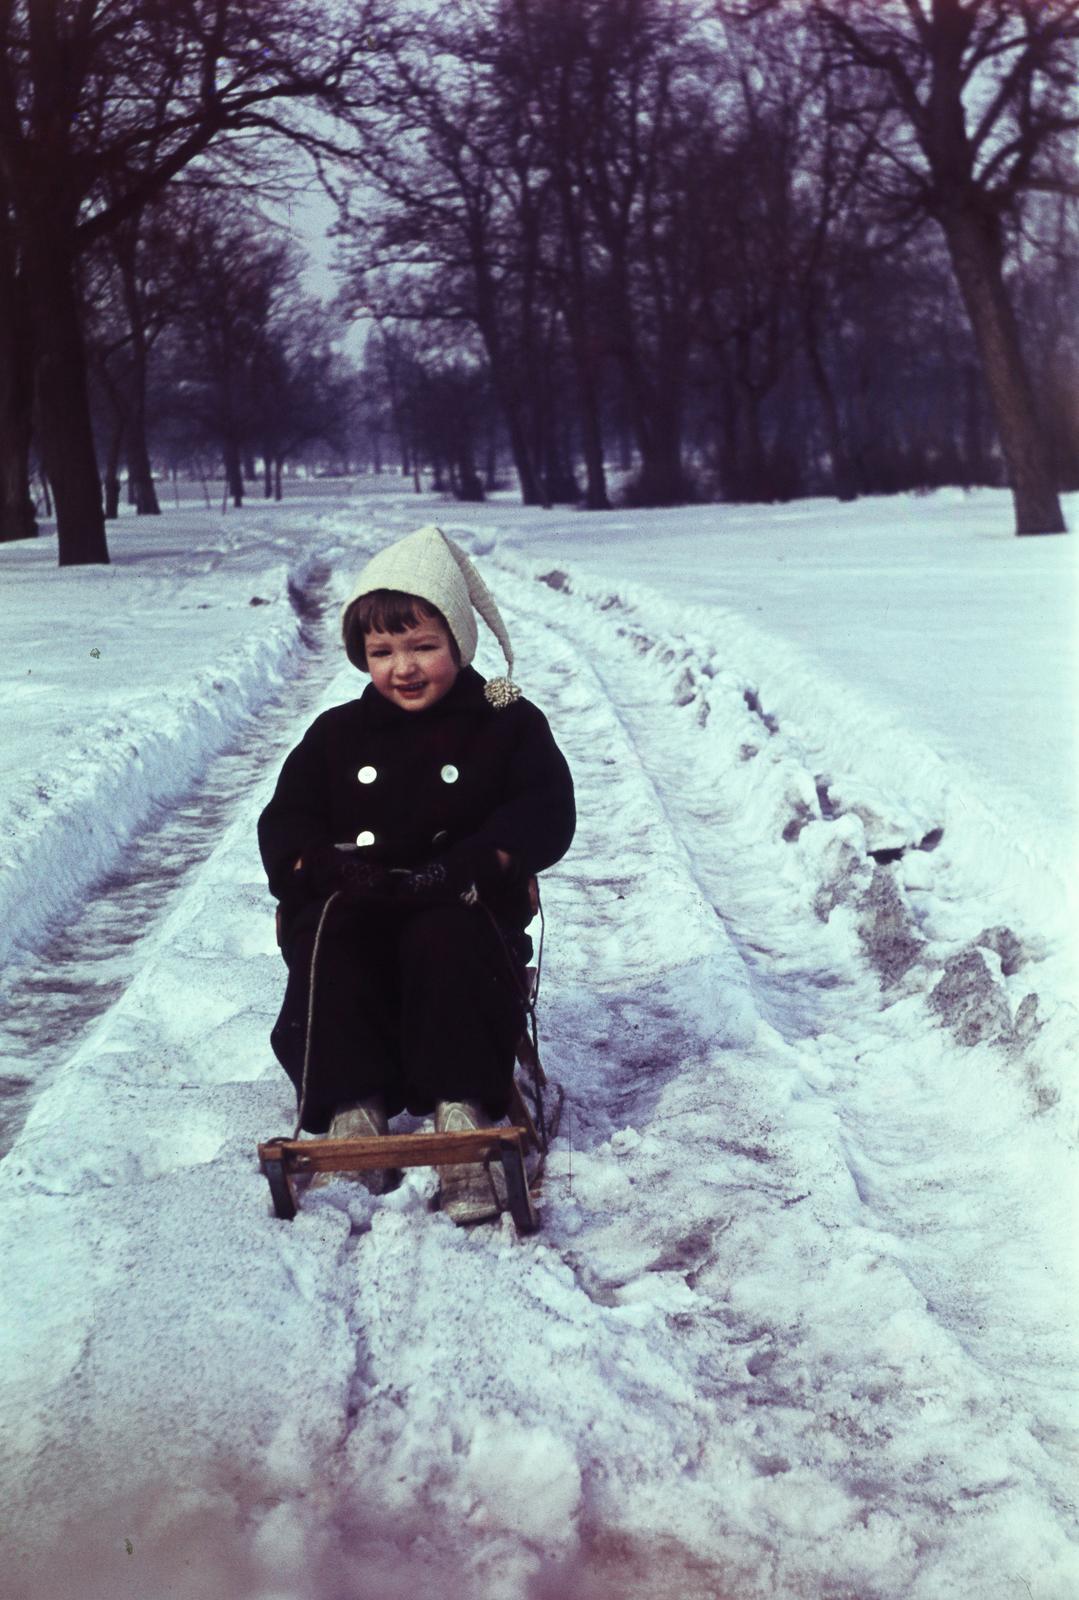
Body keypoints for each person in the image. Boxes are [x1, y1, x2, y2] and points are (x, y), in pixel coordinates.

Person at [257, 524, 575, 1224]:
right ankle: (352, 1105)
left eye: (423, 646)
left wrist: (482, 855)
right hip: (364, 896)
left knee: (445, 938)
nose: (403, 667)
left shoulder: (504, 717)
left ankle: (463, 1115)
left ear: (459, 644)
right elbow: (288, 817)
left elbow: (545, 806)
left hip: (461, 899)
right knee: (332, 938)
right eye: (382, 651)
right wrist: (322, 864)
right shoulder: (338, 731)